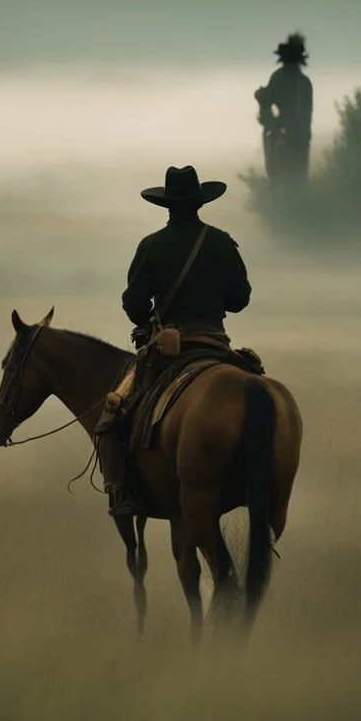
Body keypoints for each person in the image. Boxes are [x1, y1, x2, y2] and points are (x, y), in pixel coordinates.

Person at [95, 165, 252, 516]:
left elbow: (133, 303)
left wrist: (147, 320)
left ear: (166, 205)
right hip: (216, 346)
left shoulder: (151, 246)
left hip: (168, 351)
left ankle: (120, 492)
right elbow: (240, 299)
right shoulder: (223, 242)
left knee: (113, 412)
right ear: (199, 203)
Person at [255, 32, 313, 182]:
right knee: (297, 180)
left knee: (279, 181)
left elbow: (266, 101)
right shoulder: (304, 82)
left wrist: (261, 98)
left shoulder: (281, 77)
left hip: (283, 140)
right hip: (299, 140)